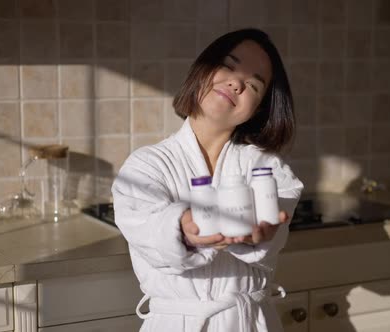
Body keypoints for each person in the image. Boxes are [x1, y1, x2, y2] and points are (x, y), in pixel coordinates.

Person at [112, 28, 304, 332]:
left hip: (250, 322)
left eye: (254, 85)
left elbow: (274, 226)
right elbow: (147, 230)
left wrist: (260, 235)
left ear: (258, 109)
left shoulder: (269, 168)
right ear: (202, 70)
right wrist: (184, 230)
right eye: (229, 66)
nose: (237, 82)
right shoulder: (145, 166)